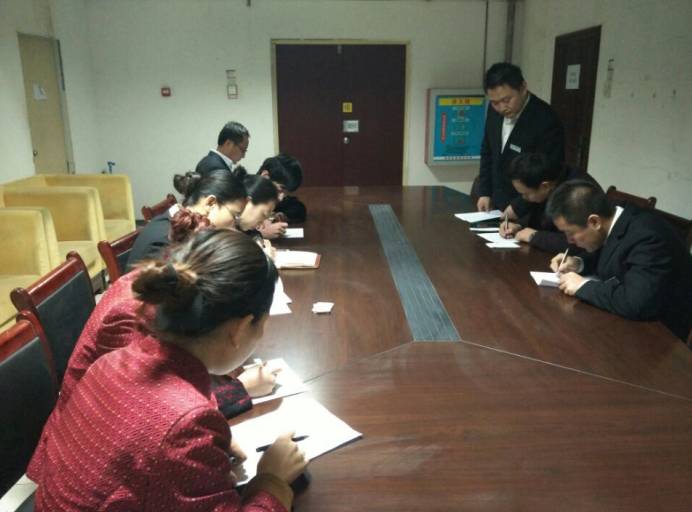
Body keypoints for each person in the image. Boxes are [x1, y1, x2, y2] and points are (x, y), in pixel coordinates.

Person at [30, 230, 307, 511]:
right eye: (262, 324)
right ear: (239, 328)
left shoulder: (113, 361)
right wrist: (272, 480)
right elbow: (165, 433)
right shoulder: (186, 424)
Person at [546, 180, 692, 341]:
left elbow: (636, 303)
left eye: (570, 233)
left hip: (659, 334)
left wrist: (582, 285)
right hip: (623, 319)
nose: (569, 241)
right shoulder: (614, 217)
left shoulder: (649, 237)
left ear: (594, 222)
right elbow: (609, 253)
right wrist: (579, 263)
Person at [477, 62, 565, 220]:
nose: (501, 108)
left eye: (506, 100)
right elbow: (488, 151)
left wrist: (518, 206)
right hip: (497, 204)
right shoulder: (493, 110)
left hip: (530, 209)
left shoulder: (546, 119)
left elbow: (549, 172)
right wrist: (484, 192)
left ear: (523, 88)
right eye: (495, 102)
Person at [127, 169, 247, 268]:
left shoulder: (181, 223)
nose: (235, 226)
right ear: (210, 203)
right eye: (235, 215)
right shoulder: (165, 240)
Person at [499, 152, 601, 253]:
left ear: (545, 186)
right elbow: (537, 217)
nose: (523, 198)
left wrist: (535, 236)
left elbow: (580, 243)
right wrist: (518, 226)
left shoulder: (576, 194)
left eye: (526, 194)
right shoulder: (548, 180)